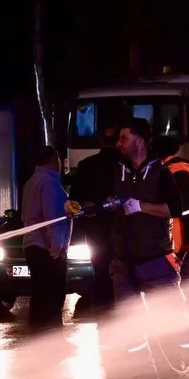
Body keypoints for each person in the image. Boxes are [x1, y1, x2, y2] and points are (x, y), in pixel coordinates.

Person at [111, 117, 189, 377]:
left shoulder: (161, 174)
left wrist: (141, 206)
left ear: (139, 142)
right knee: (129, 325)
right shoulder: (118, 171)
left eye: (124, 138)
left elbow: (176, 209)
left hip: (155, 261)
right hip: (123, 264)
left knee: (175, 321)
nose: (119, 143)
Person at [67, 125, 118, 311]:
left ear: (101, 142)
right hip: (121, 228)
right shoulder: (125, 165)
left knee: (100, 271)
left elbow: (75, 200)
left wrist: (84, 221)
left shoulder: (86, 165)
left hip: (94, 228)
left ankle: (103, 312)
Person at [21, 144, 70, 325]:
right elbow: (53, 217)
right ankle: (52, 338)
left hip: (32, 246)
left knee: (39, 296)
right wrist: (57, 248)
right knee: (52, 298)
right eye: (57, 159)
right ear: (52, 160)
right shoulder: (50, 183)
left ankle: (38, 335)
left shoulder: (31, 182)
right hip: (46, 248)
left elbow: (26, 215)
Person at [151, 134, 189, 282]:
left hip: (178, 246)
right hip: (174, 244)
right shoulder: (171, 170)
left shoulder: (177, 172)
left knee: (181, 287)